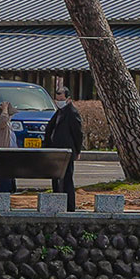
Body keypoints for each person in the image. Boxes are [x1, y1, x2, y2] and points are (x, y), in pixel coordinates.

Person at [47, 81, 85, 210]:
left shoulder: (72, 113)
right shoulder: (59, 112)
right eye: (57, 99)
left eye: (61, 98)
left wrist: (77, 150)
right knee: (55, 177)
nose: (58, 101)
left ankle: (69, 206)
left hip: (66, 151)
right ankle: (57, 203)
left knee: (67, 178)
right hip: (55, 150)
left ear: (68, 99)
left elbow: (78, 133)